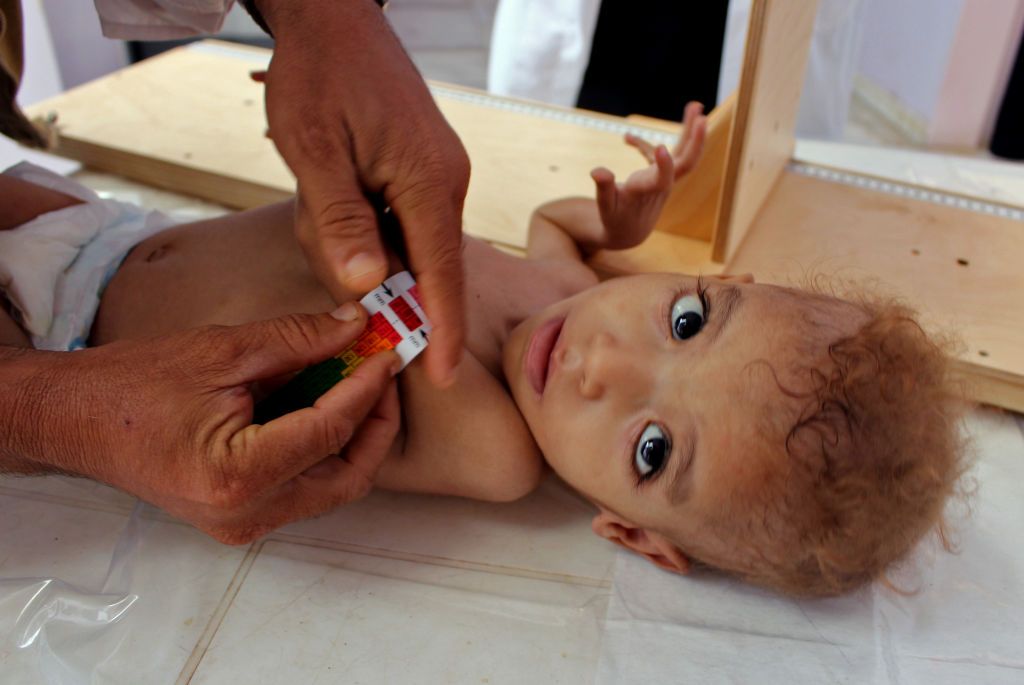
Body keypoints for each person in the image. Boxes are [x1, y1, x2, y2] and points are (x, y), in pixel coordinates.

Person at [1, 100, 968, 594]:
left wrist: (342, 215)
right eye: (685, 322)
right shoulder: (577, 295)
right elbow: (551, 230)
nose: (601, 363)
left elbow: (358, 355)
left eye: (651, 448)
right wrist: (613, 223)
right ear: (721, 280)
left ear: (634, 531)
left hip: (69, 342)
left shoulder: (498, 449)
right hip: (117, 229)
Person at [0, 0, 469, 543]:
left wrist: (324, 18)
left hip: (90, 236)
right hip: (51, 328)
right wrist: (40, 413)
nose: (591, 360)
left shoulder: (513, 434)